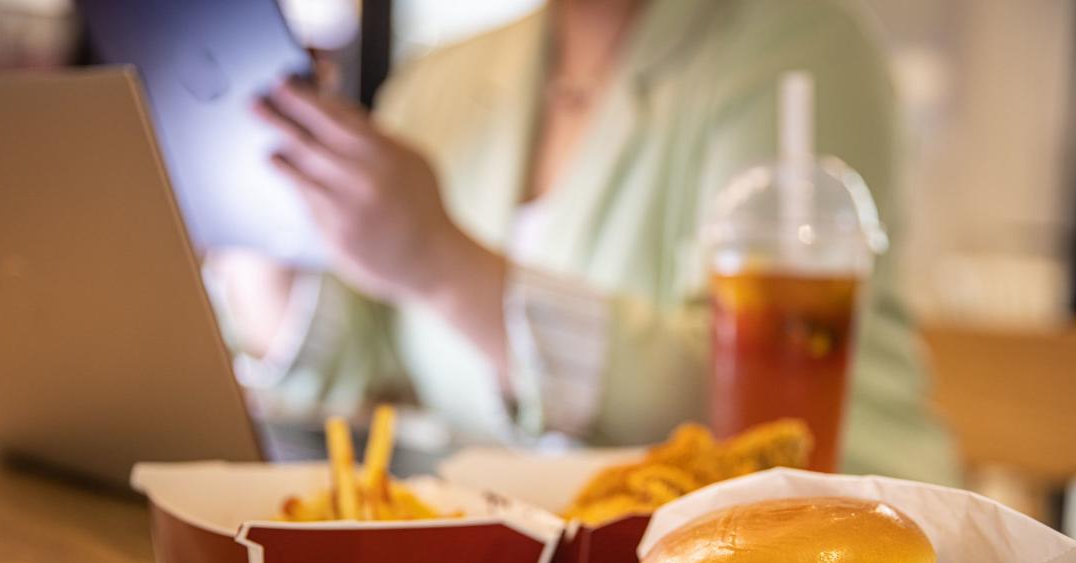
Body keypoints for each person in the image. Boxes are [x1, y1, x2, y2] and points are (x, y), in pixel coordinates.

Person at [248, 0, 960, 484]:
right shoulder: (443, 76)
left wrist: (439, 261)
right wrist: (254, 199)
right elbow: (356, 353)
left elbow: (746, 400)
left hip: (831, 545)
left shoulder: (796, 43)